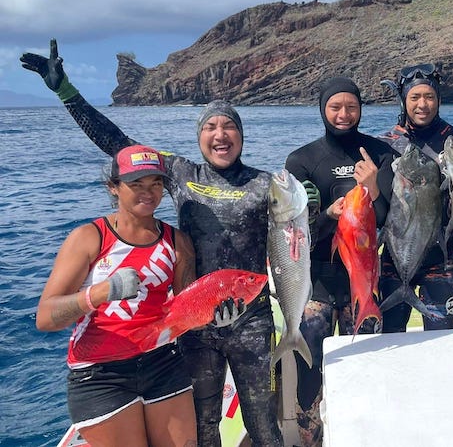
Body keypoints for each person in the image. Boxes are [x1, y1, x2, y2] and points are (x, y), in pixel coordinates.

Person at [21, 40, 283, 446]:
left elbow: (294, 239)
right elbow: (117, 143)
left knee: (264, 422)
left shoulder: (266, 184)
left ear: (241, 135)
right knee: (202, 426)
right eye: (210, 127)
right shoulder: (179, 172)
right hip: (194, 321)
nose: (220, 134)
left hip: (252, 319)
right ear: (199, 137)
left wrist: (312, 207)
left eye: (229, 126)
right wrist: (67, 92)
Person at [36, 145, 198, 446]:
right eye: (136, 184)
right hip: (100, 375)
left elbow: (186, 311)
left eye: (156, 184)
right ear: (114, 187)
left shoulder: (177, 242)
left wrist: (218, 311)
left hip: (163, 362)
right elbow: (45, 318)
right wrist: (97, 294)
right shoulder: (89, 237)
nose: (148, 193)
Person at [284, 76, 396, 447]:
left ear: (361, 109)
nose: (344, 114)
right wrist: (328, 216)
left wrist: (374, 187)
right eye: (335, 106)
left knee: (364, 364)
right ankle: (311, 439)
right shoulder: (301, 160)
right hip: (316, 280)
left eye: (351, 106)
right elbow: (294, 231)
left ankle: (363, 437)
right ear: (323, 109)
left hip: (361, 281)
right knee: (310, 367)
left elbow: (387, 218)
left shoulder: (380, 154)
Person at [377, 63, 453, 331]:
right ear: (404, 99)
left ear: (439, 99)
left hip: (442, 261)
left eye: (430, 97)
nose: (422, 104)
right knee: (391, 340)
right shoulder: (384, 143)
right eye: (415, 97)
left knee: (441, 340)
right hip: (395, 258)